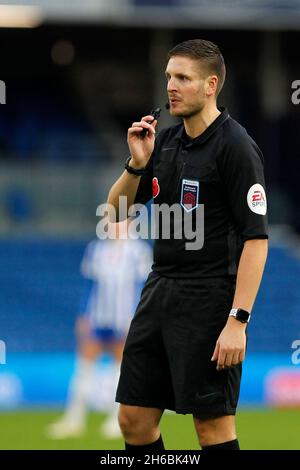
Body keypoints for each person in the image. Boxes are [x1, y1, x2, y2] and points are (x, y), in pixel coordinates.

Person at [107, 39, 268, 451]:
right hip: (159, 289)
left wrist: (238, 321)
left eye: (183, 78)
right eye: (168, 78)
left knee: (211, 428)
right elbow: (115, 211)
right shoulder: (165, 142)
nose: (171, 87)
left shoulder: (236, 147)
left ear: (211, 85)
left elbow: (256, 240)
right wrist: (137, 164)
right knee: (133, 419)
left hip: (211, 297)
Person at [46, 219, 153, 439]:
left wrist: (138, 318)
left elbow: (144, 286)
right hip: (98, 316)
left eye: (119, 221)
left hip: (124, 317)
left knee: (120, 369)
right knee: (84, 367)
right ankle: (74, 419)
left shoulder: (139, 251)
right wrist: (83, 315)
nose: (113, 226)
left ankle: (116, 418)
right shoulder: (96, 249)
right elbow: (90, 285)